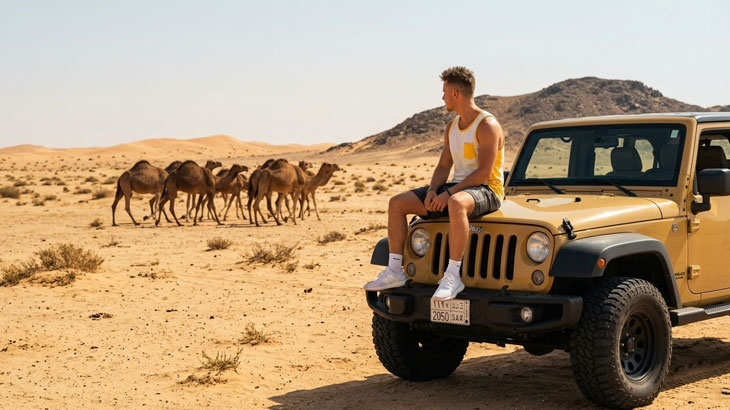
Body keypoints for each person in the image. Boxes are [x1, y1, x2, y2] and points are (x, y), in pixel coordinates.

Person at [363, 66, 505, 300]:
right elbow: (443, 166)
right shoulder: (452, 127)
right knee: (397, 203)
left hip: (487, 190)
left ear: (455, 94)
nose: (442, 97)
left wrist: (448, 195)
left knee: (456, 204)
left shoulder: (487, 125)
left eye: (444, 92)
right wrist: (432, 190)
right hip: (458, 187)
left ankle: (452, 276)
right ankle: (395, 271)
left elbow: (483, 173)